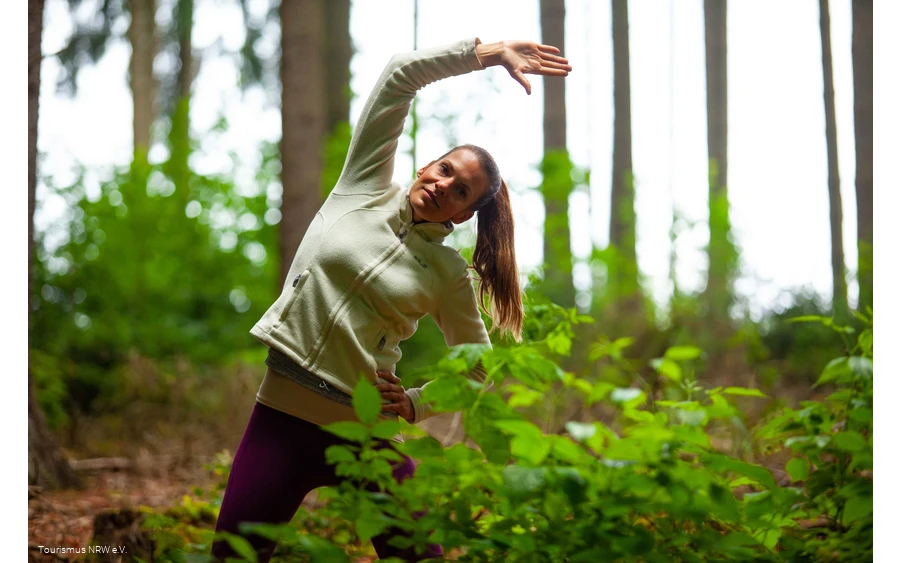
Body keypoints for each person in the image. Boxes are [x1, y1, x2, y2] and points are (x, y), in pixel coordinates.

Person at [211, 37, 571, 562]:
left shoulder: (448, 272)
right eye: (445, 170)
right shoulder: (362, 188)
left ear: (464, 215)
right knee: (232, 557)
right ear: (427, 165)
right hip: (281, 414)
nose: (445, 186)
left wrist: (415, 403)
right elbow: (400, 74)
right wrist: (489, 54)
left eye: (461, 191)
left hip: (365, 434)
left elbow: (475, 368)